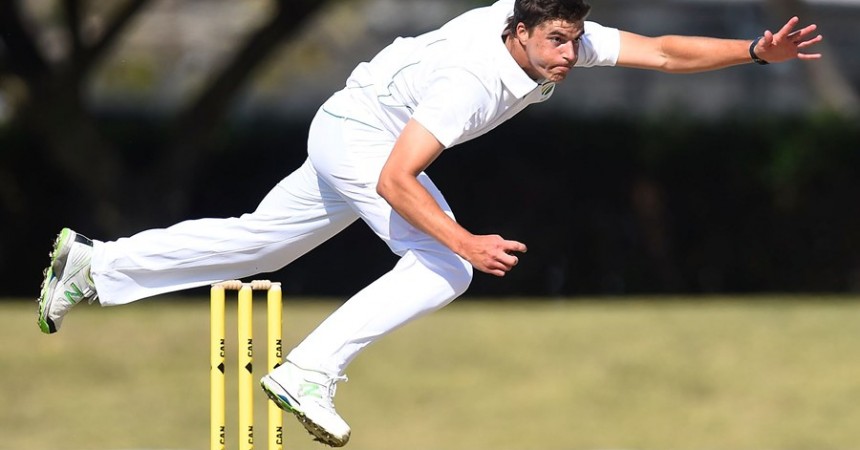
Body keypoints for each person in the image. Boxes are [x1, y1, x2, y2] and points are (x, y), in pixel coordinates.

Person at [37, 0, 822, 446]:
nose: (569, 53)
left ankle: (96, 267)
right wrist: (464, 241)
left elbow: (662, 52)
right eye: (556, 40)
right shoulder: (471, 82)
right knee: (444, 266)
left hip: (351, 122)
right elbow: (396, 178)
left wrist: (756, 52)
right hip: (366, 139)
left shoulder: (549, 30)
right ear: (519, 31)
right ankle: (308, 369)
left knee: (257, 242)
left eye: (575, 38)